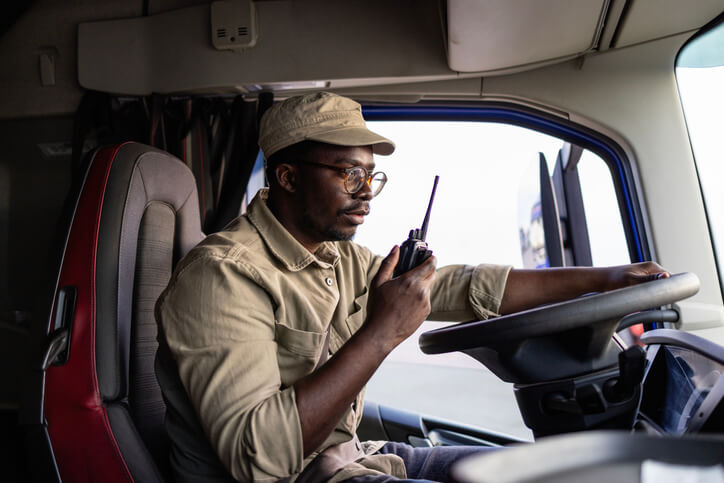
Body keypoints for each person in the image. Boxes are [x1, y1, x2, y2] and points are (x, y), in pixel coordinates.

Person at [155, 92, 668, 483]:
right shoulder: (222, 275)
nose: (365, 196)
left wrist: (606, 278)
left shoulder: (336, 256)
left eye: (371, 178)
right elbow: (258, 460)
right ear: (287, 178)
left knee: (546, 473)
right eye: (347, 175)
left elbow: (463, 287)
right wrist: (381, 333)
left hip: (349, 459)